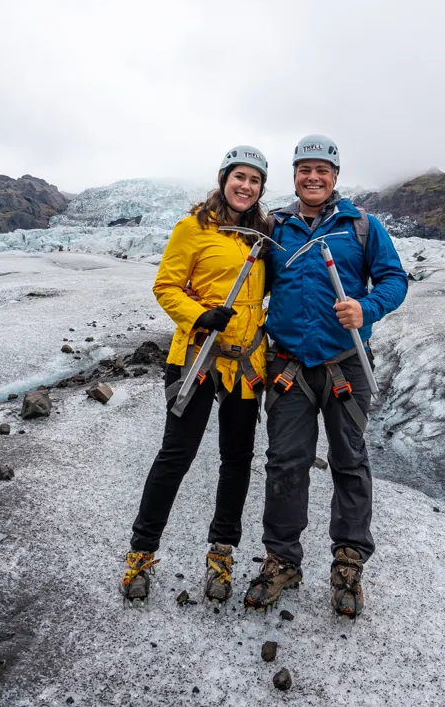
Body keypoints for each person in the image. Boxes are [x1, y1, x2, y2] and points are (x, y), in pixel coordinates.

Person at [243, 134, 408, 618]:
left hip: (346, 363)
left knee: (349, 460)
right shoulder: (275, 228)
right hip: (289, 364)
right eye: (304, 169)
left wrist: (367, 306)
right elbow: (250, 281)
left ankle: (349, 561)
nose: (313, 177)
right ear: (294, 176)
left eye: (322, 170)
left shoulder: (361, 227)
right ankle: (282, 560)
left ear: (335, 176)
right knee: (284, 463)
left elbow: (394, 279)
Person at [122, 145, 272, 603]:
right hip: (197, 356)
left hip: (246, 362)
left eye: (254, 180)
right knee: (176, 456)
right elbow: (165, 284)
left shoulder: (263, 234)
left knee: (237, 460)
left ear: (262, 187)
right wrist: (197, 315)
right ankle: (141, 555)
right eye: (239, 177)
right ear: (224, 178)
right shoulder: (194, 228)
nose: (245, 186)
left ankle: (221, 555)